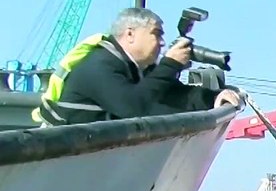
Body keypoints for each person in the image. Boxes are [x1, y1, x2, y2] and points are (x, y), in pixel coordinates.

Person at [32, 7, 242, 126]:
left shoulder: (134, 69)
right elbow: (133, 108)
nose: (161, 42)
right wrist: (169, 64)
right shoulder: (99, 65)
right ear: (130, 34)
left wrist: (214, 97)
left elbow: (167, 96)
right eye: (156, 34)